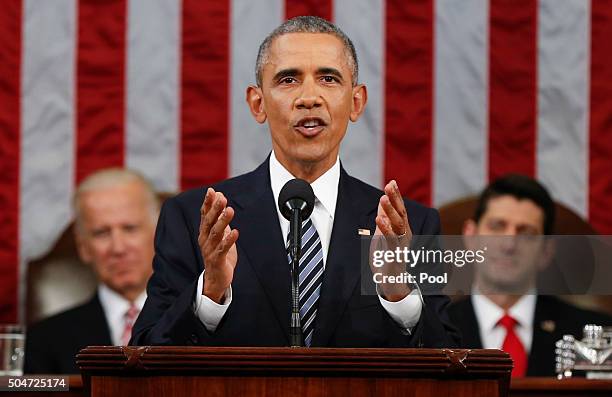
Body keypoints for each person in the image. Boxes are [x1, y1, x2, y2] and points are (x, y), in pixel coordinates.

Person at [131, 16, 458, 348]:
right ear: (257, 104)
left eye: (328, 79)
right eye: (288, 79)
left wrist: (397, 291)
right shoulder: (193, 218)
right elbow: (145, 354)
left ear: (356, 102)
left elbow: (452, 361)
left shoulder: (414, 225)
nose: (308, 98)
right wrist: (210, 293)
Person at [448, 174, 612, 377]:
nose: (509, 244)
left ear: (546, 250)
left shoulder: (594, 336)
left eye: (526, 232)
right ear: (471, 236)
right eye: (497, 227)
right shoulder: (429, 333)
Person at [24, 168, 160, 374]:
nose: (118, 248)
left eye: (130, 228)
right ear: (83, 248)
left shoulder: (200, 325)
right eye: (101, 233)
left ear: (158, 235)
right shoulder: (42, 341)